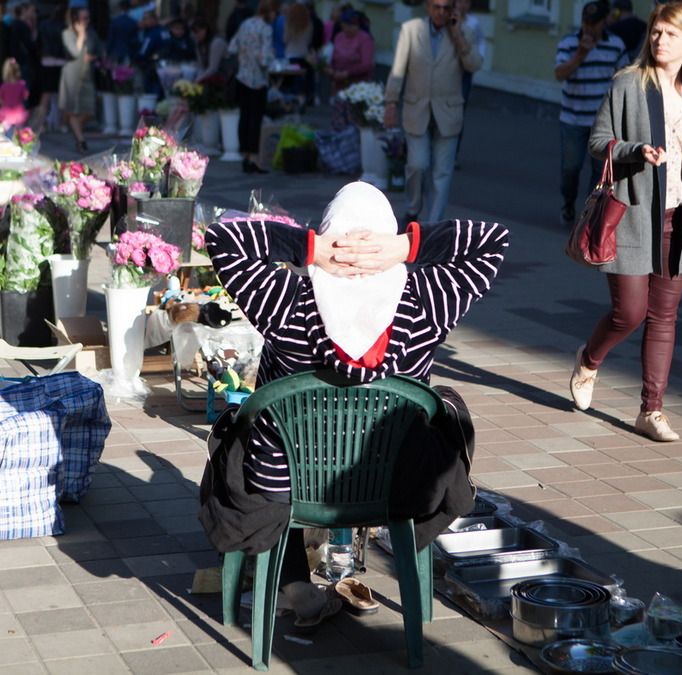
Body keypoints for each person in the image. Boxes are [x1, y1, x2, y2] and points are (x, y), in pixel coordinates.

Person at [201, 181, 509, 590]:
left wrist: (313, 249)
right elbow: (492, 241)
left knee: (255, 419)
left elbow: (222, 237)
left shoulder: (286, 301)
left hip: (289, 486)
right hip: (398, 483)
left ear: (329, 233)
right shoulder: (426, 302)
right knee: (444, 406)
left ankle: (291, 581)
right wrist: (406, 247)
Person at [570, 2, 682, 443]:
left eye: (670, 34)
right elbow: (597, 141)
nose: (660, 40)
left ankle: (651, 410)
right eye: (656, 32)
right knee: (630, 312)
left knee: (664, 316)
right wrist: (634, 150)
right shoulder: (627, 83)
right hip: (633, 214)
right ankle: (589, 358)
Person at [383, 0, 482, 225]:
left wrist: (458, 37)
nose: (441, 12)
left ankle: (433, 224)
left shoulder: (464, 32)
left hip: (448, 113)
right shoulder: (411, 30)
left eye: (446, 8)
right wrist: (390, 103)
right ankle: (413, 207)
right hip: (416, 108)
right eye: (436, 6)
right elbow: (398, 71)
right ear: (427, 7)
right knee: (417, 164)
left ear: (453, 10)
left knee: (442, 173)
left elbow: (475, 64)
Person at [553, 1, 628, 226]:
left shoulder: (615, 45)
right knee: (570, 169)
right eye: (586, 22)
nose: (589, 28)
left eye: (594, 23)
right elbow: (559, 74)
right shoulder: (569, 43)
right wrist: (580, 54)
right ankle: (568, 202)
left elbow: (623, 78)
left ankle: (588, 217)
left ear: (604, 22)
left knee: (598, 173)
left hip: (601, 123)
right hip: (573, 119)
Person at [228, 0, 276, 174]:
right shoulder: (266, 28)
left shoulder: (245, 24)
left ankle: (245, 156)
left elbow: (232, 47)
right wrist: (271, 61)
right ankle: (254, 159)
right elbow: (264, 59)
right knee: (255, 119)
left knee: (244, 117)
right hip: (258, 80)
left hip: (243, 77)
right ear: (269, 12)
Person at [58, 4, 96, 151]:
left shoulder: (91, 33)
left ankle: (76, 131)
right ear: (75, 18)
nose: (86, 21)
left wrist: (93, 56)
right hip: (72, 74)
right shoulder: (67, 33)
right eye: (83, 18)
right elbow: (74, 52)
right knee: (73, 109)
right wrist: (80, 36)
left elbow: (98, 49)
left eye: (88, 18)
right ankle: (81, 140)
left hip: (86, 73)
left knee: (89, 110)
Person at [33, 2, 67, 133]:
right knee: (60, 96)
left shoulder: (43, 25)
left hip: (46, 60)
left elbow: (38, 42)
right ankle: (60, 123)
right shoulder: (63, 26)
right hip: (60, 60)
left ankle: (40, 123)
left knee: (46, 96)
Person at [329, 8, 373, 92]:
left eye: (351, 25)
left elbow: (366, 64)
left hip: (358, 84)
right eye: (344, 25)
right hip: (338, 82)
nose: (347, 28)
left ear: (358, 25)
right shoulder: (339, 37)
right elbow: (333, 57)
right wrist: (331, 69)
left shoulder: (365, 39)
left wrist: (348, 73)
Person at [282, 1, 316, 105]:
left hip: (291, 55)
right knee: (305, 77)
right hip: (304, 55)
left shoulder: (289, 24)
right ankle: (306, 96)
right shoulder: (309, 24)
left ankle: (296, 98)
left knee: (293, 79)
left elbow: (285, 39)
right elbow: (309, 41)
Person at [192, 18, 227, 83]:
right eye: (194, 32)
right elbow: (201, 65)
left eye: (198, 31)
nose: (196, 35)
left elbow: (213, 68)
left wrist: (197, 80)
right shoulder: (199, 43)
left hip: (223, 76)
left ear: (205, 29)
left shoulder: (216, 42)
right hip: (210, 75)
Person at [0, 57, 28, 128]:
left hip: (6, 114)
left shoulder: (4, 86)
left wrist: (4, 103)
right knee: (18, 134)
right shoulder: (22, 84)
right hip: (19, 115)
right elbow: (25, 97)